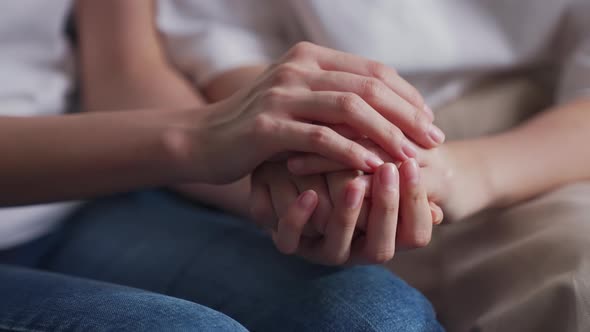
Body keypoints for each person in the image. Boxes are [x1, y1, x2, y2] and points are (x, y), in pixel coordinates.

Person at [0, 1, 445, 331]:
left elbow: (123, 73)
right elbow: (194, 138)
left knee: (379, 319)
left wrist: (305, 191)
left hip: (79, 203)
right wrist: (200, 135)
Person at [158, 0, 590, 330]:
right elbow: (226, 47)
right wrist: (299, 145)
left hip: (548, 127)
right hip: (326, 130)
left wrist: (465, 171)